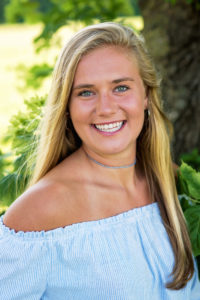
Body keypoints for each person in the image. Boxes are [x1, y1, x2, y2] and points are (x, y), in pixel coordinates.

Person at [0, 22, 199, 300]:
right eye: (85, 92)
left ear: (146, 95)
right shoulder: (39, 211)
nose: (105, 108)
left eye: (120, 88)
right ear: (67, 107)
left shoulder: (169, 180)